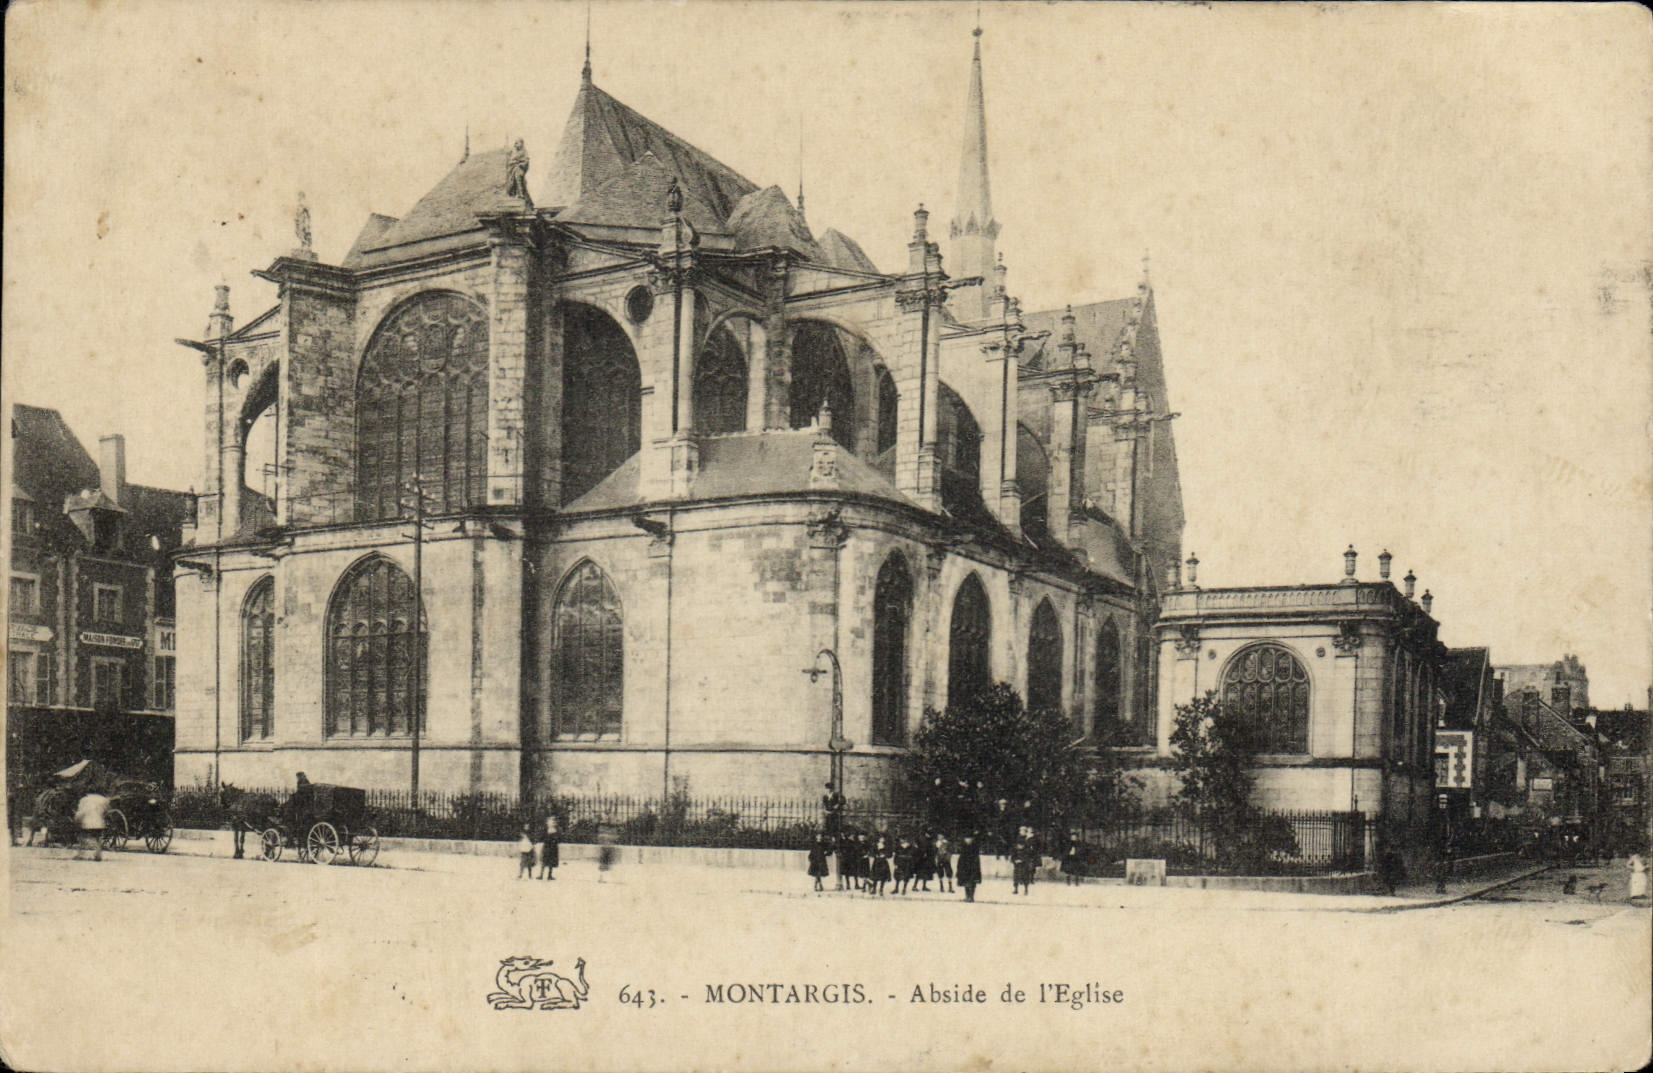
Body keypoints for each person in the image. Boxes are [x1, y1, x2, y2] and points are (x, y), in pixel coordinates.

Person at [75, 792, 110, 862]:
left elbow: (81, 813)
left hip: (87, 823)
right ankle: (98, 855)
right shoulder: (104, 800)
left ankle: (80, 854)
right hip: (99, 823)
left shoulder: (84, 800)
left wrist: (76, 820)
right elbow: (107, 811)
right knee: (98, 840)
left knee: (82, 838)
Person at [956, 833, 982, 902]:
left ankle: (971, 897)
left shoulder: (975, 847)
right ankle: (967, 896)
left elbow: (976, 859)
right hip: (964, 867)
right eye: (966, 839)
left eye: (969, 839)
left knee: (972, 882)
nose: (968, 840)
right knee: (965, 882)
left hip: (973, 867)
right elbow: (961, 858)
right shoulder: (963, 847)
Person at [539, 815, 560, 880]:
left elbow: (559, 839)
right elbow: (542, 837)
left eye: (554, 821)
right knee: (544, 861)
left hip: (552, 847)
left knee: (551, 862)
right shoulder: (547, 829)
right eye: (551, 821)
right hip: (548, 847)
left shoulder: (556, 830)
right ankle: (541, 875)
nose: (552, 822)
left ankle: (549, 875)